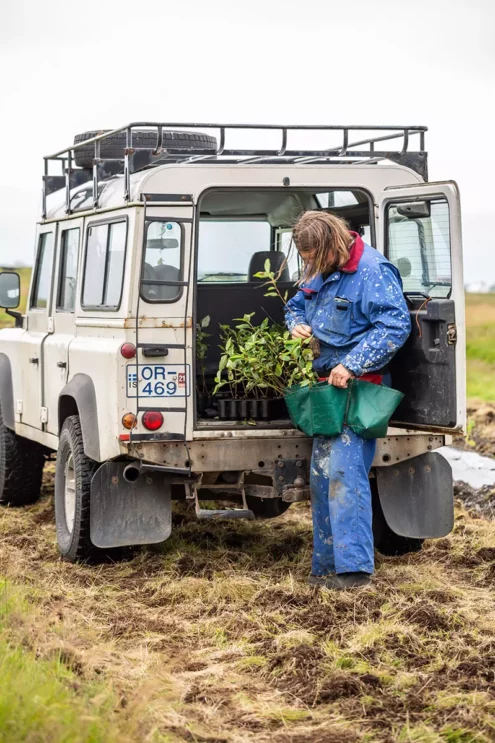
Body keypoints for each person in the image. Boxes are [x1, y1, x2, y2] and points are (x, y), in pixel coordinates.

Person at [285, 211, 411, 590]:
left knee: (345, 472)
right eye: (305, 260)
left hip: (358, 389)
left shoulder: (373, 271)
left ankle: (354, 573)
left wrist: (352, 364)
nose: (309, 266)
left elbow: (395, 324)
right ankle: (325, 570)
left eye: (313, 258)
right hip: (326, 389)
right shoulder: (318, 268)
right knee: (322, 475)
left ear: (330, 245)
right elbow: (295, 303)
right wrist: (296, 324)